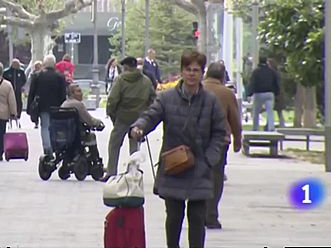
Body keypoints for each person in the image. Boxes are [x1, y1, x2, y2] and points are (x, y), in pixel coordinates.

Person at [130, 50, 227, 248]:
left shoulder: (210, 101)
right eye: (188, 69)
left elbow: (219, 134)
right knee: (174, 217)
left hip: (200, 167)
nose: (192, 74)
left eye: (196, 70)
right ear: (182, 72)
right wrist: (139, 127)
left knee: (197, 218)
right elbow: (151, 115)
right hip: (174, 166)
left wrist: (209, 159)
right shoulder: (167, 98)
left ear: (202, 73)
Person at [202, 61, 242, 229]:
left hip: (197, 140)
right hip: (219, 142)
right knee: (216, 178)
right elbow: (234, 119)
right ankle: (211, 215)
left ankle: (197, 213)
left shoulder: (196, 88)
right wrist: (238, 141)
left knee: (196, 177)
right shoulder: (226, 93)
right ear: (222, 77)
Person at [103, 56, 156, 181]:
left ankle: (111, 172)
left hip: (122, 117)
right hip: (139, 118)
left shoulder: (120, 80)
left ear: (126, 67)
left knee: (114, 144)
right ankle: (133, 171)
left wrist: (112, 114)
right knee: (135, 146)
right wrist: (146, 114)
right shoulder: (146, 81)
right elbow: (153, 99)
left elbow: (112, 99)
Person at [27, 54, 67, 157]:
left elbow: (32, 93)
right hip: (56, 106)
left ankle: (47, 147)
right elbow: (63, 93)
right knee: (54, 127)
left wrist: (29, 108)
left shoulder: (37, 75)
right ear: (54, 64)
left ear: (44, 64)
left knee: (44, 127)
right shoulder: (60, 76)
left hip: (42, 106)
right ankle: (55, 146)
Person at [245, 56, 280, 131]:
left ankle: (255, 128)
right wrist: (276, 94)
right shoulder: (272, 71)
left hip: (258, 93)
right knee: (270, 111)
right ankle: (271, 128)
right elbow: (276, 83)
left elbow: (252, 83)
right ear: (266, 61)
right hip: (269, 93)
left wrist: (249, 94)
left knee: (256, 112)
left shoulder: (256, 71)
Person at [267, 58, 286, 128]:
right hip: (277, 94)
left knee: (277, 111)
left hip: (277, 94)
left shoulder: (273, 73)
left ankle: (277, 125)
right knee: (276, 111)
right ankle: (280, 125)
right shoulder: (276, 73)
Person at [24, 60, 43, 128]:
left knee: (38, 110)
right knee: (35, 110)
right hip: (35, 94)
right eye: (37, 67)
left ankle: (38, 122)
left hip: (38, 94)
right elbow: (29, 84)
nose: (38, 68)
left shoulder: (40, 74)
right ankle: (36, 122)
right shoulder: (32, 75)